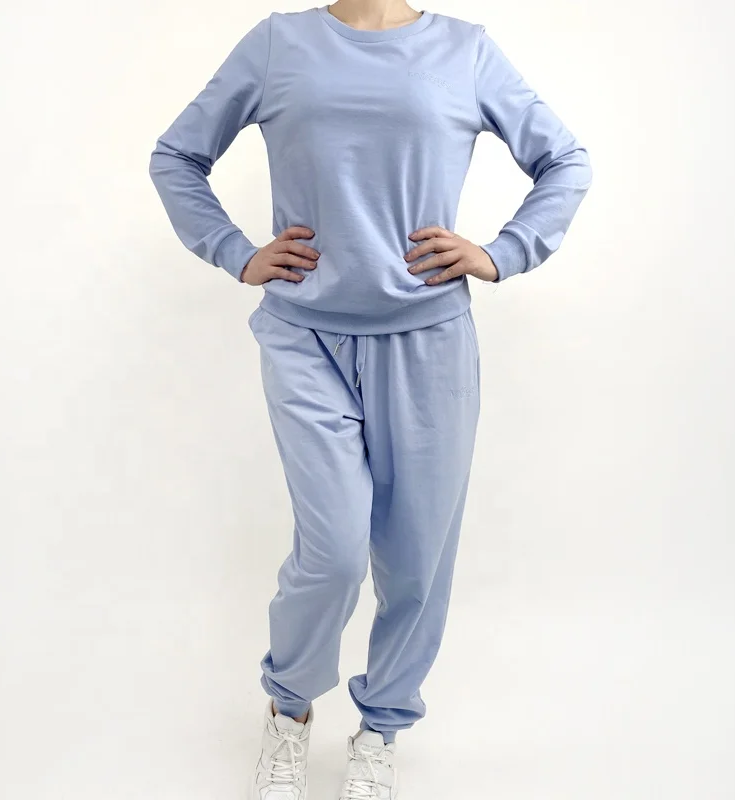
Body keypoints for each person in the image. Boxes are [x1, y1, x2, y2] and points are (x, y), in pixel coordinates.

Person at [149, 1, 592, 797]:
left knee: (417, 561)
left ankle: (380, 730)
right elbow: (177, 155)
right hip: (304, 334)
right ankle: (289, 712)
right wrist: (235, 252)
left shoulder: (466, 51)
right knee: (335, 551)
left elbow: (564, 160)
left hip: (429, 341)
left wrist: (502, 252)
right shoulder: (280, 42)